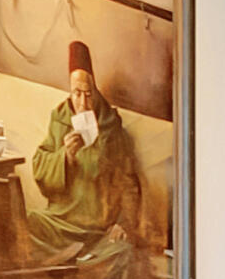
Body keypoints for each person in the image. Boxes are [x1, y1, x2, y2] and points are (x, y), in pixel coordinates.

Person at [27, 39, 143, 250]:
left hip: (98, 230)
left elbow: (128, 183)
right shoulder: (60, 118)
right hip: (61, 222)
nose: (82, 103)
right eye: (76, 93)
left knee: (122, 252)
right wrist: (65, 157)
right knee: (28, 222)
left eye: (88, 94)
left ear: (95, 91)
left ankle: (78, 260)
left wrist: (123, 222)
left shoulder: (111, 127)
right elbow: (40, 167)